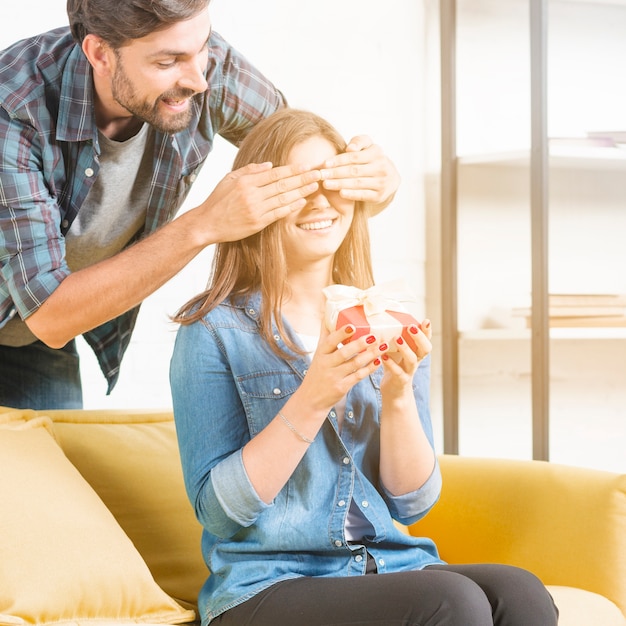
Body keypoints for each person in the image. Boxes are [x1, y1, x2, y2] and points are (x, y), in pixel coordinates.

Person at [169, 108, 559, 626]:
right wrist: (313, 397)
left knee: (520, 592)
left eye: (333, 180)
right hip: (268, 582)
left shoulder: (384, 317)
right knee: (454, 602)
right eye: (299, 184)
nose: (321, 200)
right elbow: (219, 513)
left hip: (386, 565)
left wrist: (398, 394)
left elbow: (412, 503)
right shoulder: (213, 332)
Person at [0, 0, 399, 410]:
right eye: (167, 62)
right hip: (44, 315)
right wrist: (204, 225)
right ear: (100, 54)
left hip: (31, 338)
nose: (199, 81)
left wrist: (376, 181)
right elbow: (50, 312)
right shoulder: (14, 107)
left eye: (202, 47)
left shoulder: (207, 68)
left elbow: (296, 152)